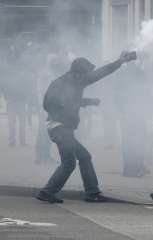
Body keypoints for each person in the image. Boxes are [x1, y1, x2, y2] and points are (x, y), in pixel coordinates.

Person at [36, 51, 136, 203]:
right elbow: (100, 74)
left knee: (83, 157)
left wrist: (89, 102)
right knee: (69, 163)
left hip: (57, 127)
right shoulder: (76, 80)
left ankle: (91, 192)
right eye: (87, 71)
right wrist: (119, 61)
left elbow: (61, 102)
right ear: (81, 71)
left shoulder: (62, 81)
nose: (88, 74)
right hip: (61, 129)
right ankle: (49, 192)